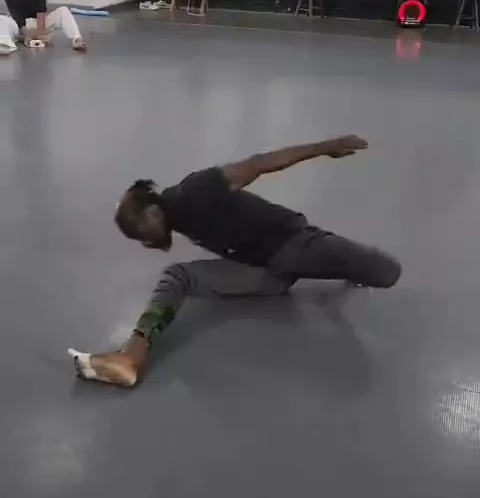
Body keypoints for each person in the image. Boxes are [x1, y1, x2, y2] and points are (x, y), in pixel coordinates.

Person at [69, 136, 401, 388]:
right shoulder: (173, 217)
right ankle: (131, 356)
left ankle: (346, 265)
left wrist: (325, 147)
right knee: (176, 277)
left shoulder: (195, 190)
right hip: (264, 273)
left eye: (141, 233)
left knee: (385, 271)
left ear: (153, 211)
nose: (145, 242)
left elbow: (259, 163)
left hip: (293, 244)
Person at [0, 0, 86, 55]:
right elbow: (18, 17)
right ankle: (4, 45)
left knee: (63, 10)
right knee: (2, 19)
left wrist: (41, 34)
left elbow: (40, 12)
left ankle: (77, 40)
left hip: (38, 23)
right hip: (20, 28)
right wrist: (26, 35)